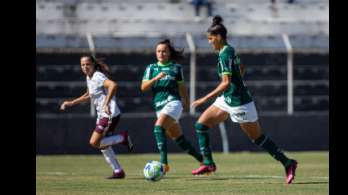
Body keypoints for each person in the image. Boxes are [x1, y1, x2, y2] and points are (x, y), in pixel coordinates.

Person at [190, 15, 298, 184]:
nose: (209, 42)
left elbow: (225, 82)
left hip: (240, 103)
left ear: (218, 37)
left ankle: (288, 162)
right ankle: (209, 163)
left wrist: (204, 98)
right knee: (201, 126)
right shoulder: (229, 50)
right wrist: (237, 82)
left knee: (258, 138)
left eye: (210, 39)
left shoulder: (225, 54)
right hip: (227, 99)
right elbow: (241, 67)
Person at [60, 55, 134, 179]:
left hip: (109, 113)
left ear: (93, 64)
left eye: (87, 64)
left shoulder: (98, 76)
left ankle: (123, 138)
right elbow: (89, 94)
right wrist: (72, 102)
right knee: (104, 146)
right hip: (103, 114)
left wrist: (106, 104)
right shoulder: (89, 78)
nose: (85, 67)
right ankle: (118, 171)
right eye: (82, 65)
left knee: (94, 142)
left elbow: (113, 85)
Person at [140, 39, 203, 174]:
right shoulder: (151, 68)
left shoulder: (176, 68)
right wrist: (156, 78)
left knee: (158, 128)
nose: (161, 54)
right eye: (158, 51)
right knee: (178, 138)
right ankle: (204, 161)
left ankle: (164, 164)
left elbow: (182, 87)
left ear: (169, 53)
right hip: (159, 106)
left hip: (173, 103)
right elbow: (143, 87)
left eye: (164, 51)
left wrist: (185, 101)